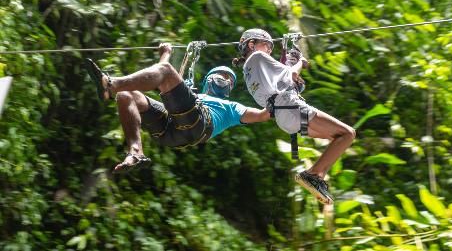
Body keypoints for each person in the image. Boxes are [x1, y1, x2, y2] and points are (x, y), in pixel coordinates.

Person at [86, 43, 270, 173]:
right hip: (171, 131)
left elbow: (262, 115)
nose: (226, 80)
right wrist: (165, 53)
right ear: (208, 81)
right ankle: (136, 153)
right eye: (221, 75)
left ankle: (110, 84)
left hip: (199, 124)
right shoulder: (193, 94)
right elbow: (161, 77)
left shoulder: (232, 108)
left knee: (164, 72)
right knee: (126, 95)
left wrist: (281, 94)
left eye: (230, 80)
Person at [233, 28, 356, 205]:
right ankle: (313, 174)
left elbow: (284, 80)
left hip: (285, 117)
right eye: (266, 45)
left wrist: (290, 60)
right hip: (291, 108)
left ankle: (317, 176)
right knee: (348, 134)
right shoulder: (257, 57)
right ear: (251, 44)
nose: (269, 50)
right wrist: (300, 62)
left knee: (337, 138)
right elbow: (292, 74)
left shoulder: (249, 71)